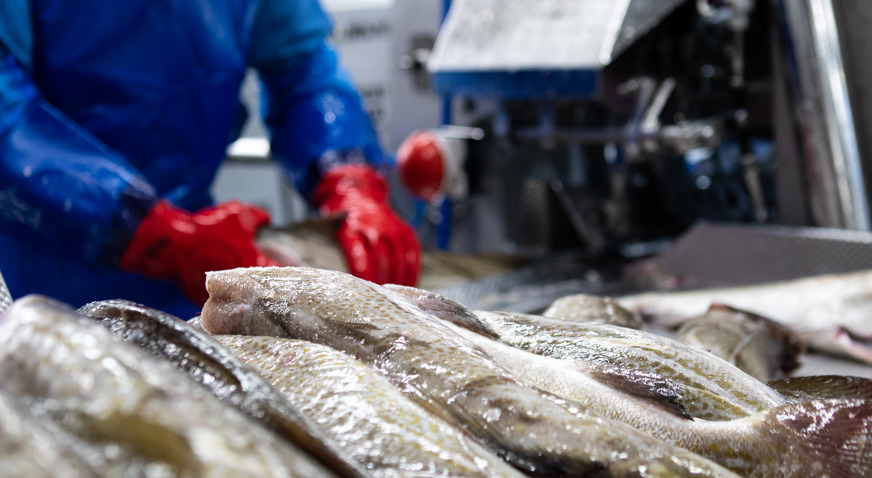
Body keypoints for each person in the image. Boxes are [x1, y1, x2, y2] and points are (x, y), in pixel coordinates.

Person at [0, 0, 420, 319]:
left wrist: (349, 178)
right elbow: (7, 119)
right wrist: (152, 232)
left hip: (202, 269)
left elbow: (302, 69)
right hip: (38, 277)